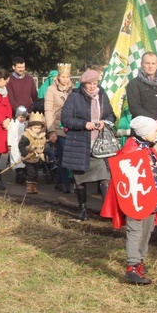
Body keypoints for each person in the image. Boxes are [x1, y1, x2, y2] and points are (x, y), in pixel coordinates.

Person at [101, 116, 157, 285]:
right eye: (153, 131)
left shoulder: (148, 148)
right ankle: (132, 266)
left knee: (147, 229)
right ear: (144, 133)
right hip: (136, 197)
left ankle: (140, 260)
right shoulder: (131, 151)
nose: (156, 132)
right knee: (135, 231)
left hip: (150, 196)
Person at [61, 69, 116, 220]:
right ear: (83, 84)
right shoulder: (74, 96)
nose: (92, 87)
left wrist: (104, 122)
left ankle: (107, 211)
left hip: (100, 146)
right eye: (88, 84)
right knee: (80, 180)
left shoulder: (103, 96)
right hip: (79, 144)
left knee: (105, 179)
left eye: (94, 83)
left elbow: (111, 115)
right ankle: (83, 208)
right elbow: (65, 119)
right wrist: (84, 124)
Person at [125, 52, 157, 135]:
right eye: (147, 63)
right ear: (141, 64)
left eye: (153, 63)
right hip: (143, 131)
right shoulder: (133, 84)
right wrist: (154, 122)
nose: (150, 66)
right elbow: (134, 107)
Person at [45, 63, 74, 193]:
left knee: (67, 156)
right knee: (63, 155)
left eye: (67, 76)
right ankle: (65, 184)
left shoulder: (73, 89)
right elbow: (48, 110)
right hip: (58, 127)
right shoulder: (51, 90)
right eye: (63, 76)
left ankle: (58, 181)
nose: (65, 79)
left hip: (71, 127)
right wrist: (51, 130)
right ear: (58, 76)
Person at [18, 112, 47, 194]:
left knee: (36, 172)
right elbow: (21, 145)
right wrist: (25, 154)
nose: (37, 130)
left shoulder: (42, 136)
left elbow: (44, 144)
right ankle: (29, 186)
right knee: (31, 172)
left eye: (39, 128)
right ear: (30, 127)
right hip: (29, 157)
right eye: (35, 128)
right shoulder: (27, 135)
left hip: (37, 157)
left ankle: (34, 186)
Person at [7, 106, 28, 185]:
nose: (22, 119)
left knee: (23, 158)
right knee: (16, 159)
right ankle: (19, 174)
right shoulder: (13, 125)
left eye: (23, 117)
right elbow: (10, 135)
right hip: (15, 144)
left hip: (23, 145)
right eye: (20, 117)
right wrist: (9, 144)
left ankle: (23, 173)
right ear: (17, 116)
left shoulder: (25, 125)